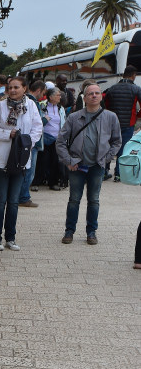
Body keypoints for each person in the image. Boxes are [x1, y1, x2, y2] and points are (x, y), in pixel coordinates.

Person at [56, 83, 122, 245]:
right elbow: (60, 142)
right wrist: (69, 161)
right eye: (90, 93)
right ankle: (69, 231)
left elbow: (117, 142)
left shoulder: (110, 117)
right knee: (74, 200)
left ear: (101, 96)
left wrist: (106, 159)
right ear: (84, 98)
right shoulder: (74, 117)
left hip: (97, 166)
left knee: (94, 200)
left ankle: (91, 232)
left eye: (97, 93)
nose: (94, 95)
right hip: (77, 166)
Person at [0, 76, 43, 251]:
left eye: (16, 87)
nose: (12, 90)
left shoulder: (31, 106)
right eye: (10, 87)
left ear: (25, 88)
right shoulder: (0, 106)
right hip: (1, 160)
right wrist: (7, 134)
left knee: (14, 201)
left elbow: (37, 128)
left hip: (20, 160)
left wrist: (25, 143)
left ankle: (11, 237)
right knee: (1, 200)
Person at [103, 66, 141, 180]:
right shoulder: (136, 89)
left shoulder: (112, 88)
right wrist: (137, 116)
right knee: (124, 148)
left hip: (111, 124)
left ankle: (105, 171)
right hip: (128, 123)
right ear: (133, 75)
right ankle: (119, 174)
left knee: (109, 147)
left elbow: (105, 106)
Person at [19, 80, 47, 206]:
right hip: (31, 143)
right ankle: (23, 197)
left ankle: (21, 195)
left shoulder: (28, 101)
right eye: (43, 92)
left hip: (28, 141)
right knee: (29, 171)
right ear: (39, 90)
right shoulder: (32, 102)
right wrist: (45, 119)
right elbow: (37, 123)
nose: (43, 96)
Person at [40, 86, 66, 190]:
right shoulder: (43, 106)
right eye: (58, 95)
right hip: (45, 137)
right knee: (43, 160)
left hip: (57, 138)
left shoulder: (60, 108)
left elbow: (63, 121)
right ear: (51, 97)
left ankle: (53, 182)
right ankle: (37, 181)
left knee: (55, 161)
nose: (60, 97)